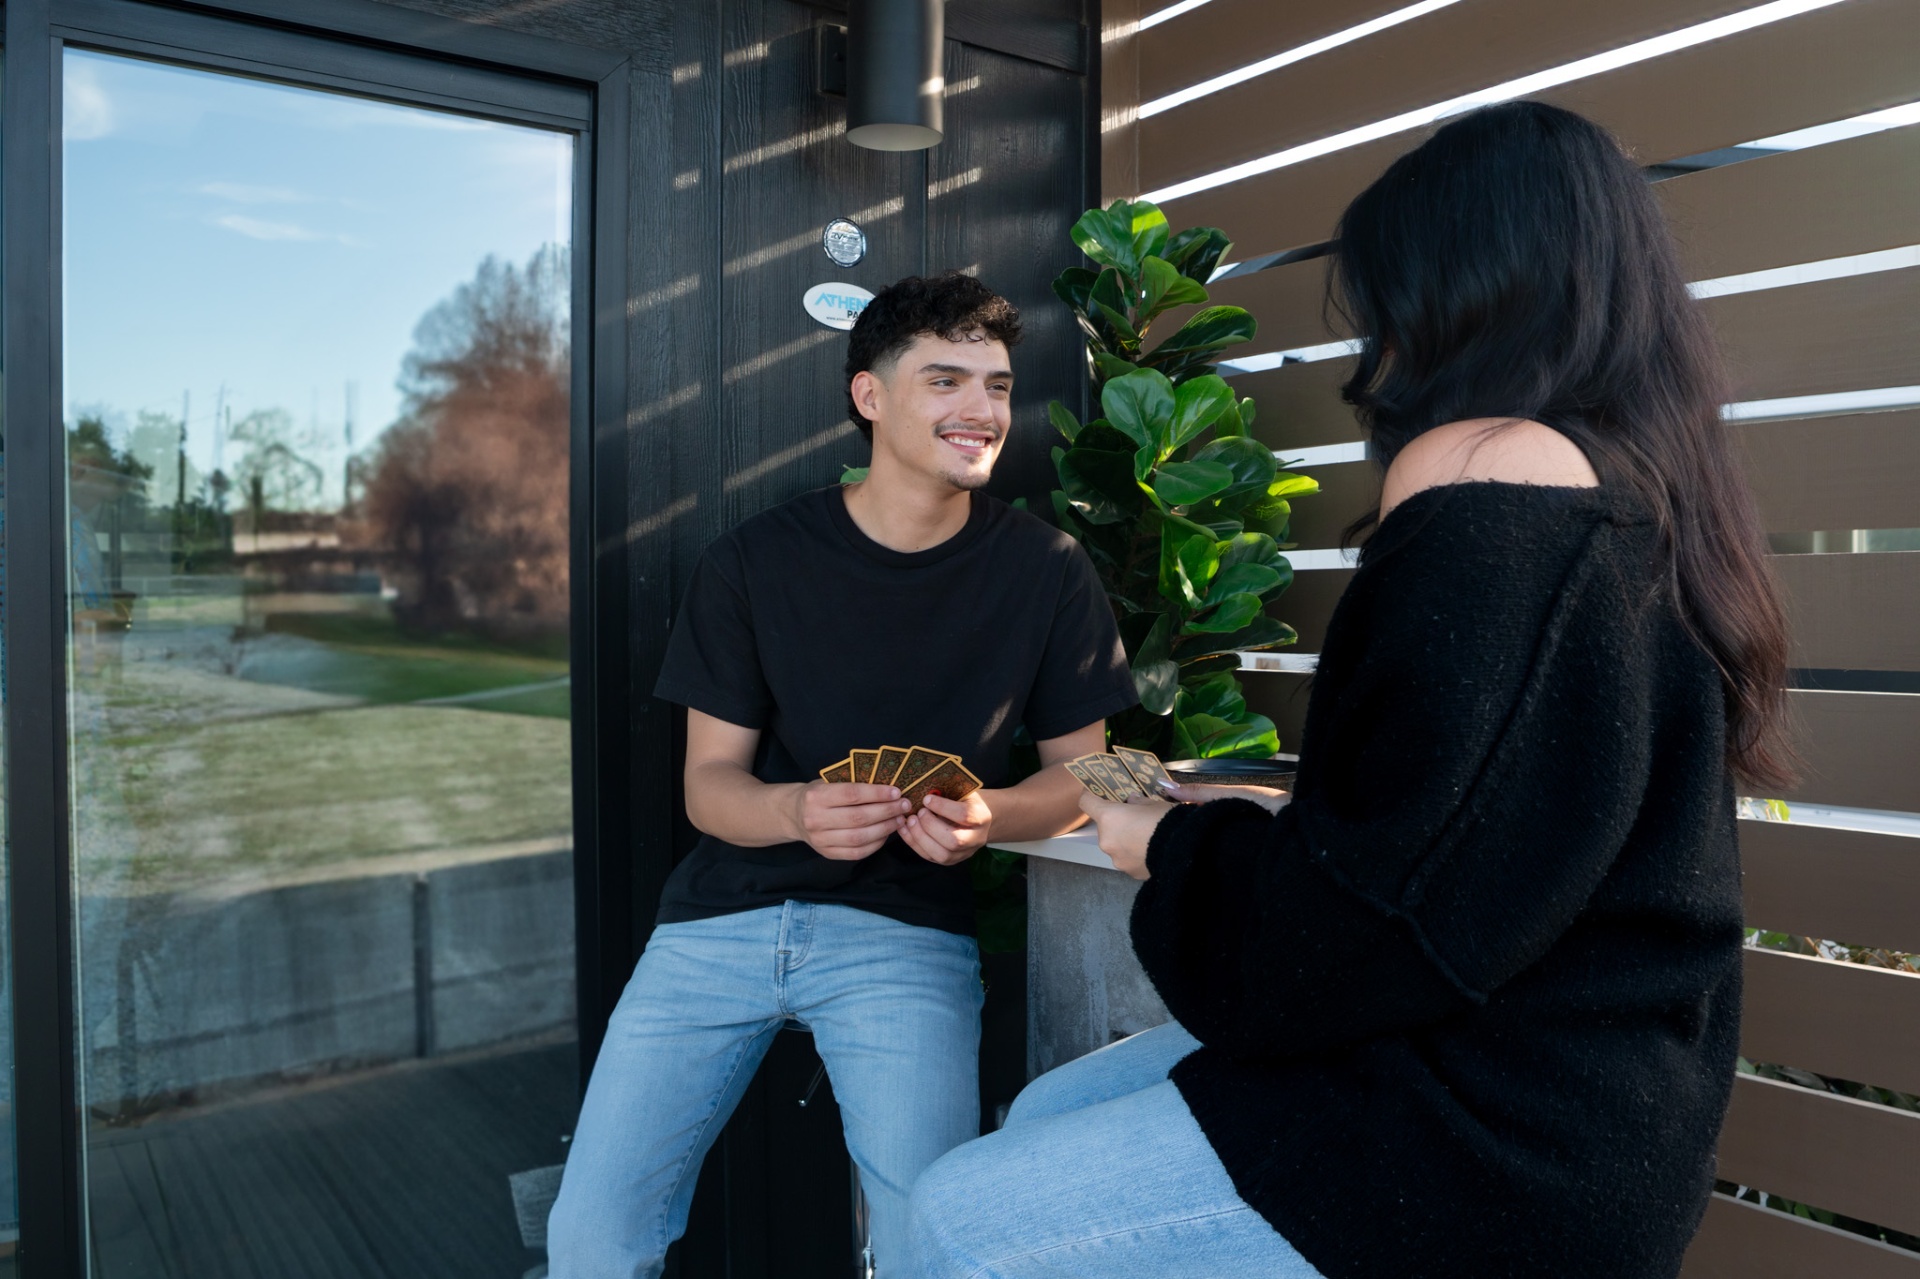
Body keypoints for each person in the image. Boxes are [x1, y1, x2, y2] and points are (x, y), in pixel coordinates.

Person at [909, 101, 1793, 1279]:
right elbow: (1473, 834)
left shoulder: (1484, 467)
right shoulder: (1646, 498)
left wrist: (1169, 846)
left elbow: (1363, 930)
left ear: (1453, 287)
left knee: (955, 1216)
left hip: (1492, 1135)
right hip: (1607, 1109)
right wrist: (1251, 819)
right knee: (1042, 1119)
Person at [545, 272, 1139, 1278]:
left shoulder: (1047, 572)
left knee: (931, 1240)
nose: (981, 410)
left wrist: (988, 817)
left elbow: (1087, 775)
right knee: (594, 1238)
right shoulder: (752, 562)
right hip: (717, 928)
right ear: (870, 395)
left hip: (905, 939)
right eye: (946, 379)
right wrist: (798, 811)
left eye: (995, 386)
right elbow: (710, 788)